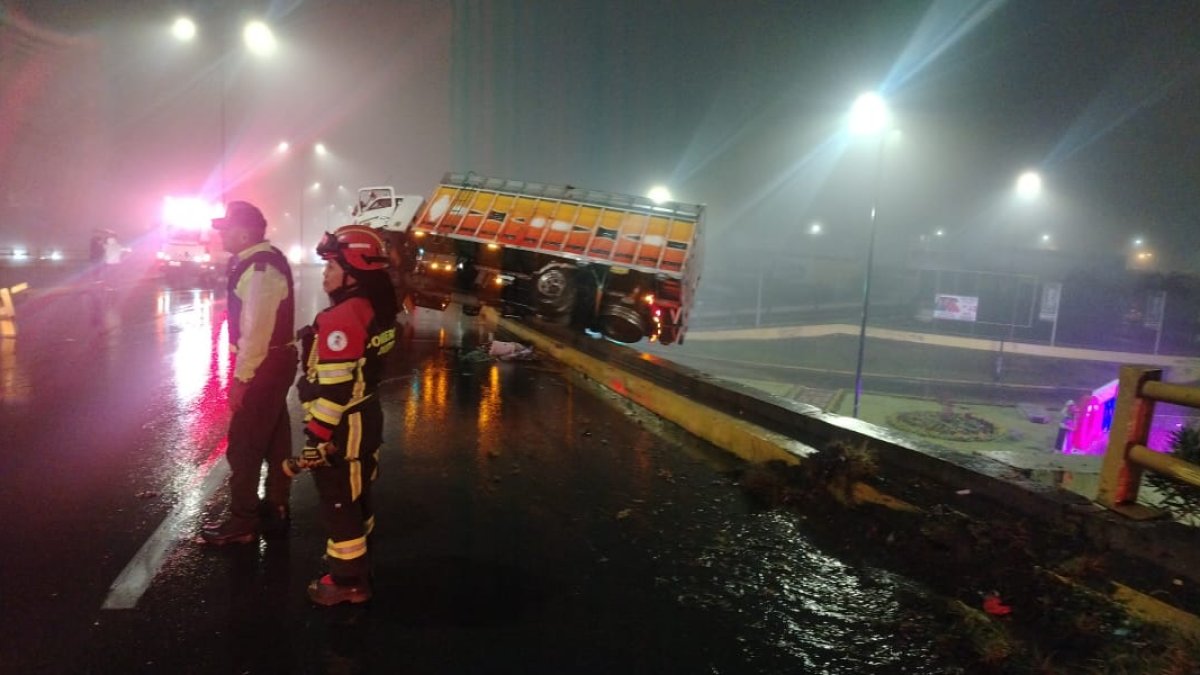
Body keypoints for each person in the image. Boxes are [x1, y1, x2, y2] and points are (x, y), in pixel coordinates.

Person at [287, 224, 396, 605]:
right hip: (367, 419)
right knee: (358, 492)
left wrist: (317, 438)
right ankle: (358, 554)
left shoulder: (342, 318)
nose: (325, 273)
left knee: (338, 501)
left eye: (332, 266)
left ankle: (348, 580)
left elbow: (334, 391)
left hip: (343, 429)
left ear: (354, 271)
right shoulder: (376, 309)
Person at [200, 201, 297, 545]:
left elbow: (256, 330)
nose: (221, 235)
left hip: (264, 367)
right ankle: (276, 507)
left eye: (225, 229)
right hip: (272, 365)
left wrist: (242, 380)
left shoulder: (259, 269)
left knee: (244, 444)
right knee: (274, 438)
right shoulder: (256, 263)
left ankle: (242, 522)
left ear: (244, 232)